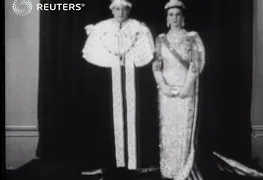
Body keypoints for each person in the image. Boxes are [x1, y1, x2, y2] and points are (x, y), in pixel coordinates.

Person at [82, 0, 159, 176]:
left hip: (133, 78)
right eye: (117, 8)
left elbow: (145, 54)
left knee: (135, 115)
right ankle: (109, 163)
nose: (120, 12)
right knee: (109, 118)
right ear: (112, 10)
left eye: (124, 8)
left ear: (129, 10)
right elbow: (94, 54)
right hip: (108, 79)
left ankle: (135, 162)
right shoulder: (102, 28)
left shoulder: (139, 28)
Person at [152, 0, 206, 179]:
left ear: (183, 18)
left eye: (177, 15)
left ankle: (182, 171)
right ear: (167, 18)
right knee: (168, 130)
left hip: (185, 90)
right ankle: (169, 170)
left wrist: (186, 87)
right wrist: (164, 86)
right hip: (166, 92)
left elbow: (195, 65)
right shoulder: (160, 40)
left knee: (183, 130)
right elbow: (156, 66)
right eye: (171, 15)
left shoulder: (192, 37)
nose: (174, 18)